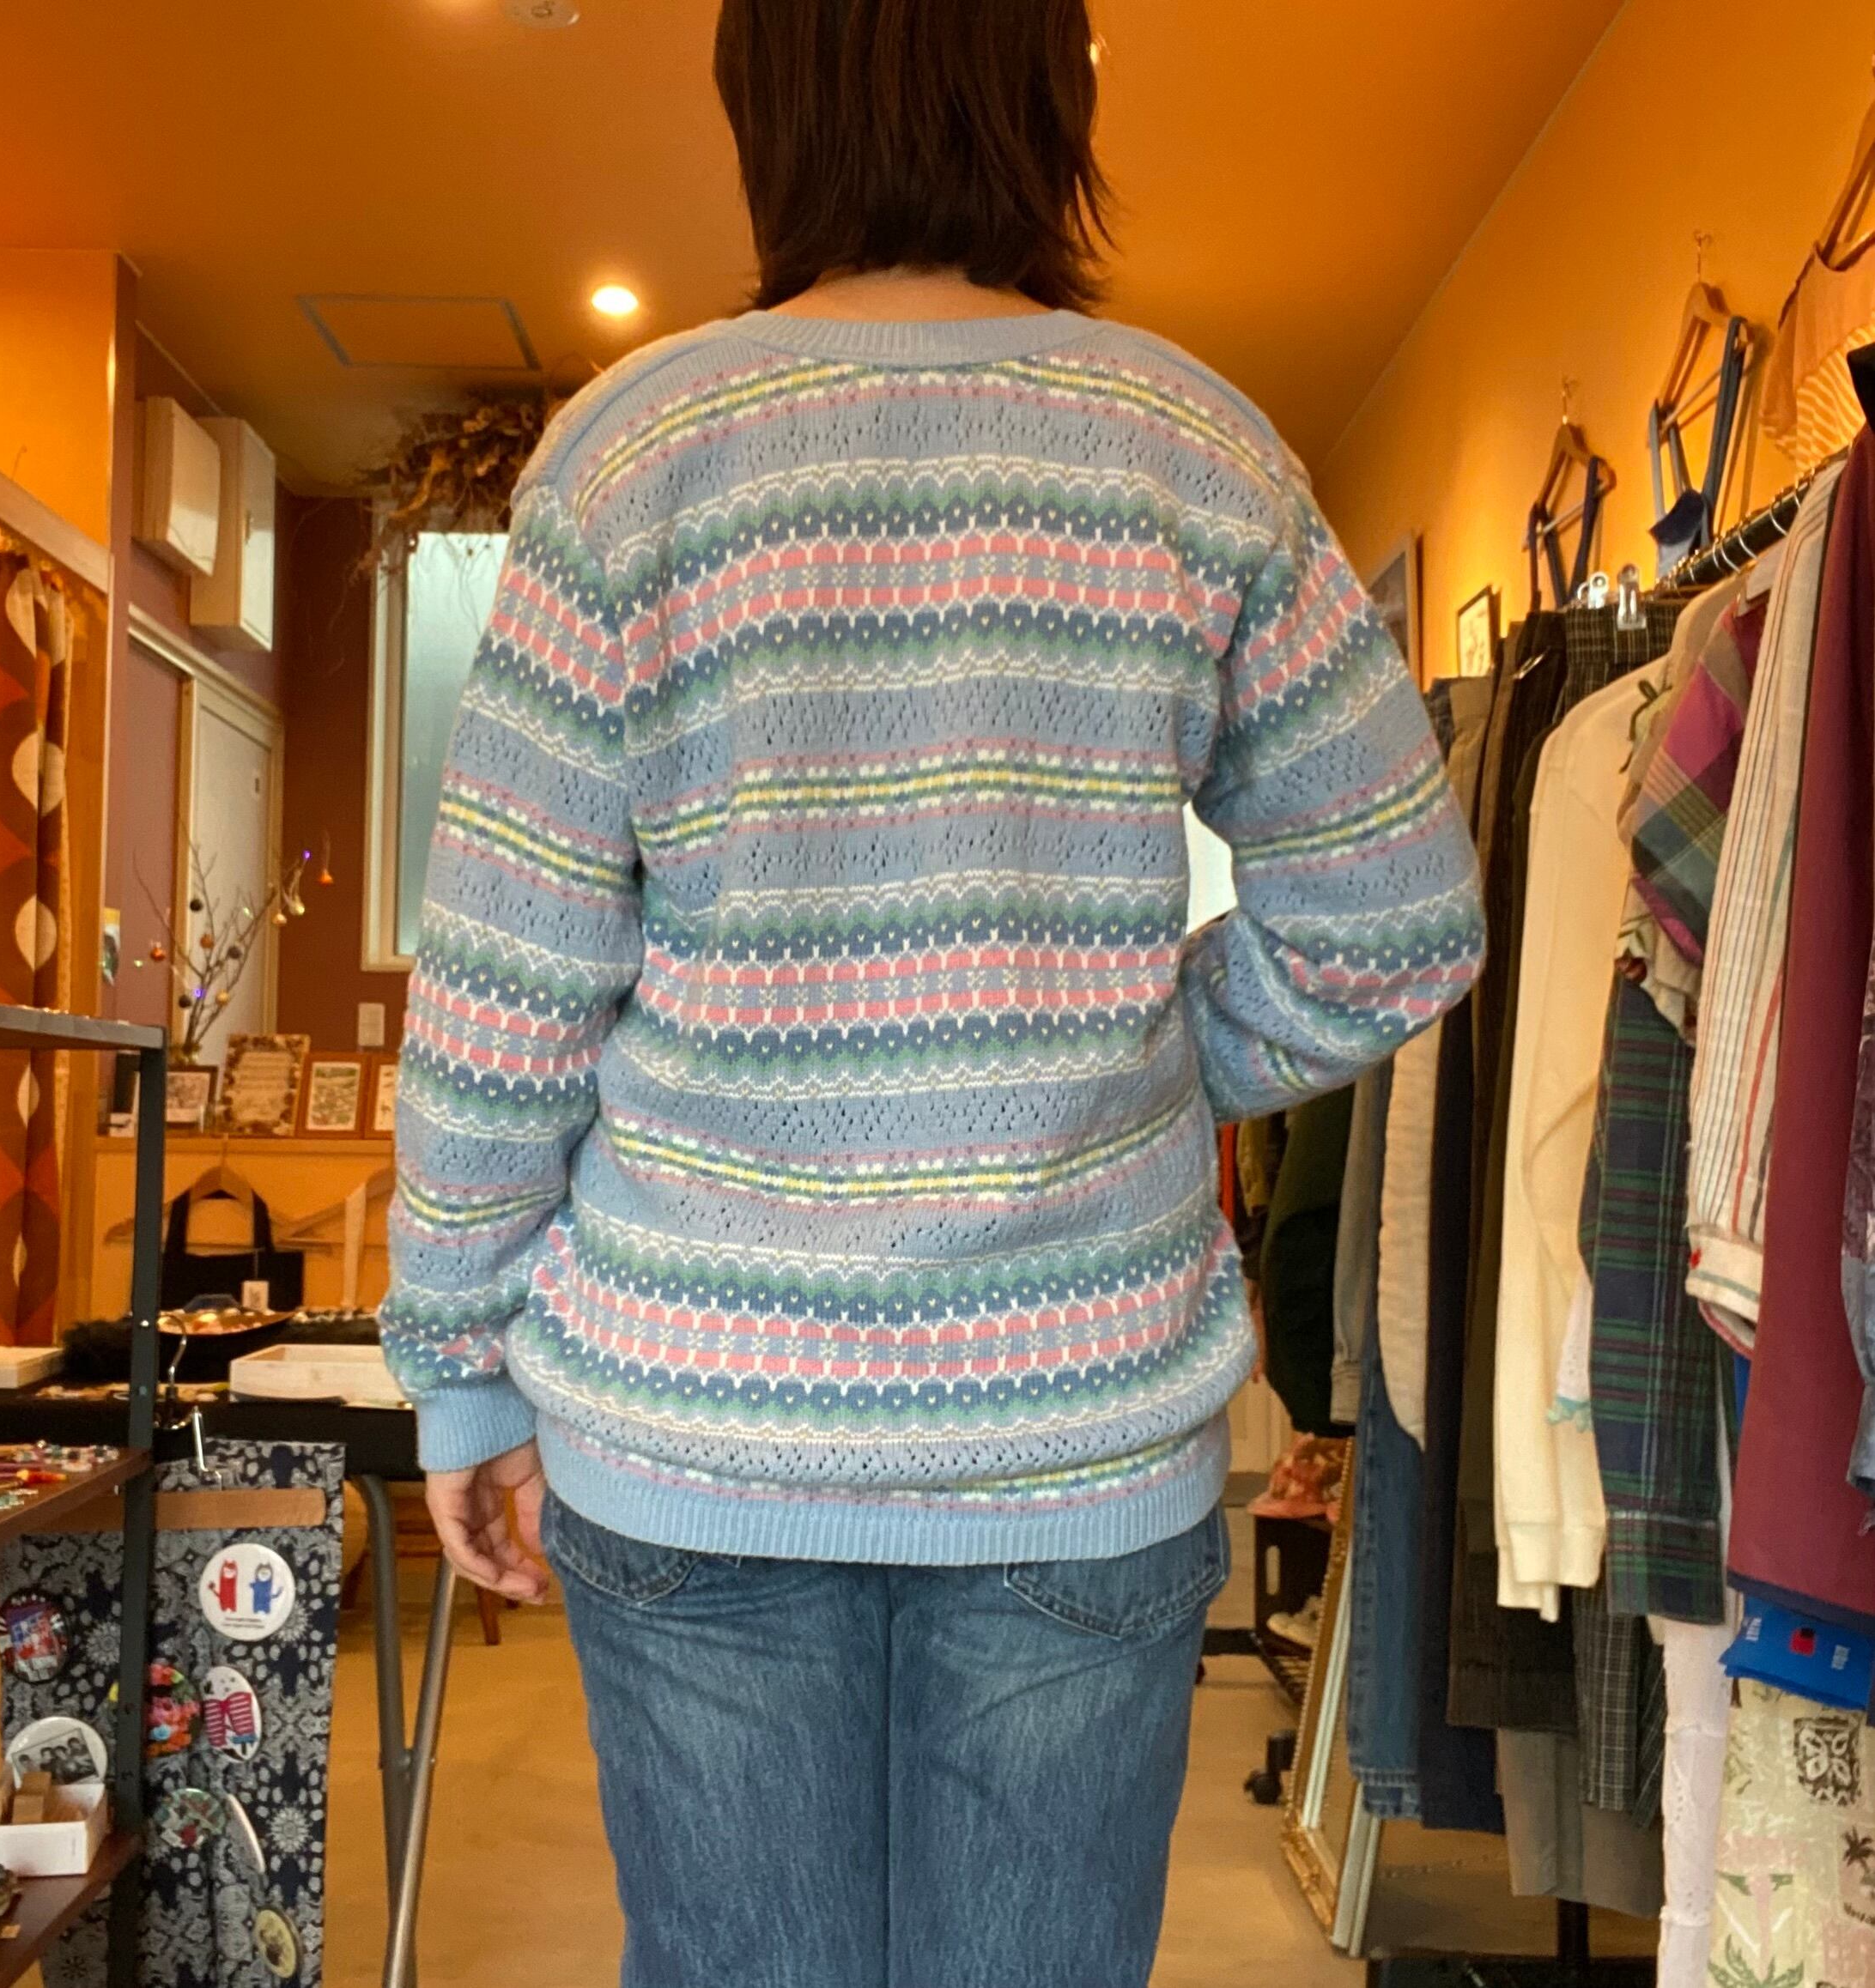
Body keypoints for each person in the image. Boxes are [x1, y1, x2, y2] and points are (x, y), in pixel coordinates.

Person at [381, 3, 1484, 1982]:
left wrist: (460, 1365)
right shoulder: (1191, 447)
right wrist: (1144, 1059)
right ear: (1057, 95)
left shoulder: (635, 458)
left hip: (695, 1418)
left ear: (762, 106)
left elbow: (502, 985)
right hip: (1079, 1425)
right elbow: (1391, 913)